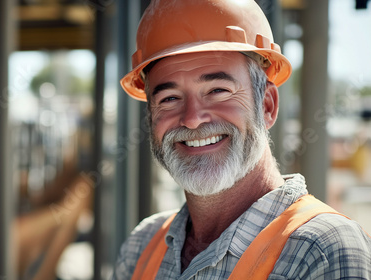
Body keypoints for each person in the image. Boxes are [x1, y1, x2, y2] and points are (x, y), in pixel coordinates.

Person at [113, 0, 371, 279]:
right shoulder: (143, 247)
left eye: (218, 90)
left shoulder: (323, 251)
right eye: (170, 99)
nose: (192, 118)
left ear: (267, 105)